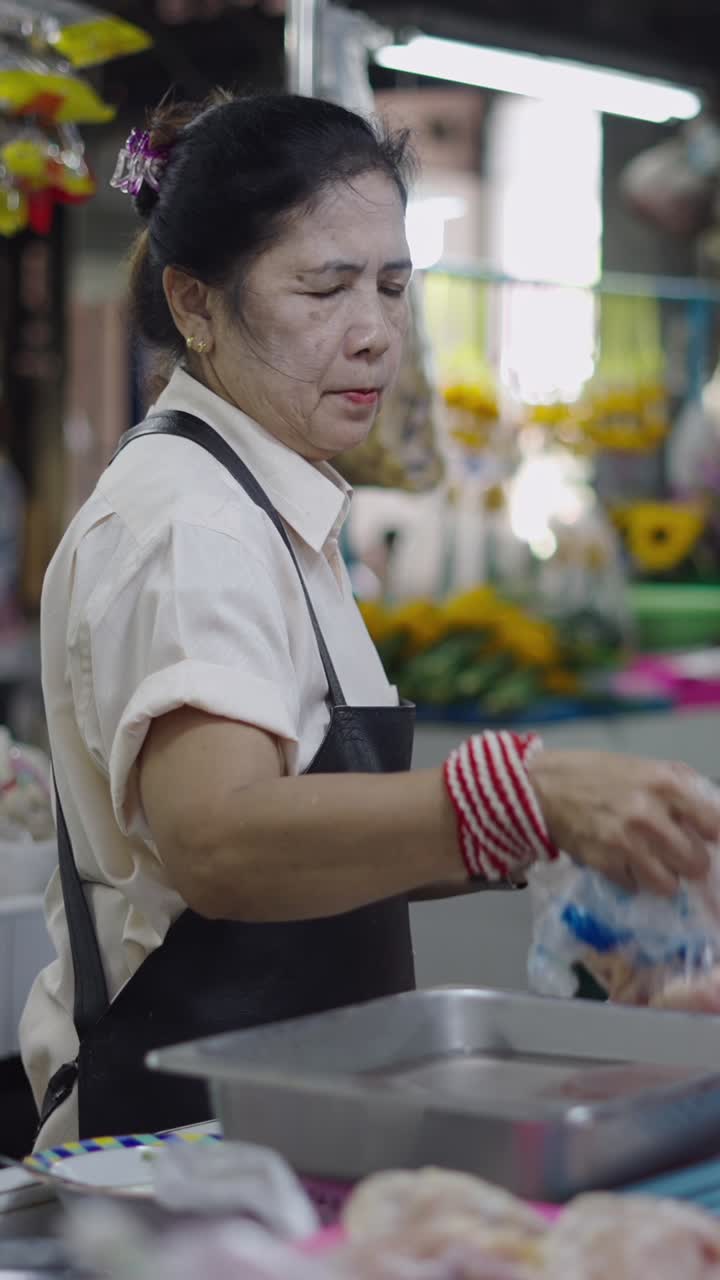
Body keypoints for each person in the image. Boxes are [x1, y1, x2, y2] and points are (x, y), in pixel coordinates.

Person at [20, 92, 720, 1150]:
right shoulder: (190, 519)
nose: (374, 333)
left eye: (393, 286)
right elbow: (222, 840)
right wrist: (522, 796)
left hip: (275, 1122)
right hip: (179, 1151)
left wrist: (561, 826)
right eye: (325, 286)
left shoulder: (273, 500)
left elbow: (324, 823)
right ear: (195, 305)